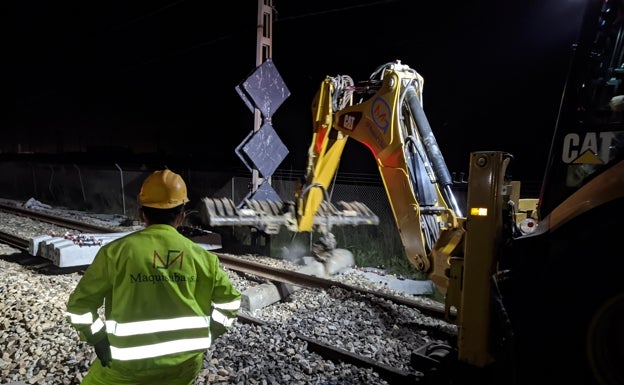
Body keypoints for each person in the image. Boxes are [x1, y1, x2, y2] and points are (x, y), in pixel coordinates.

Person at [65, 169, 241, 385]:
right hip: (185, 363)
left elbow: (79, 308)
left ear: (142, 214)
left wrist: (98, 338)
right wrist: (211, 332)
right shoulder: (203, 258)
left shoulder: (116, 253)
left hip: (127, 367)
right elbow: (231, 302)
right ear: (181, 216)